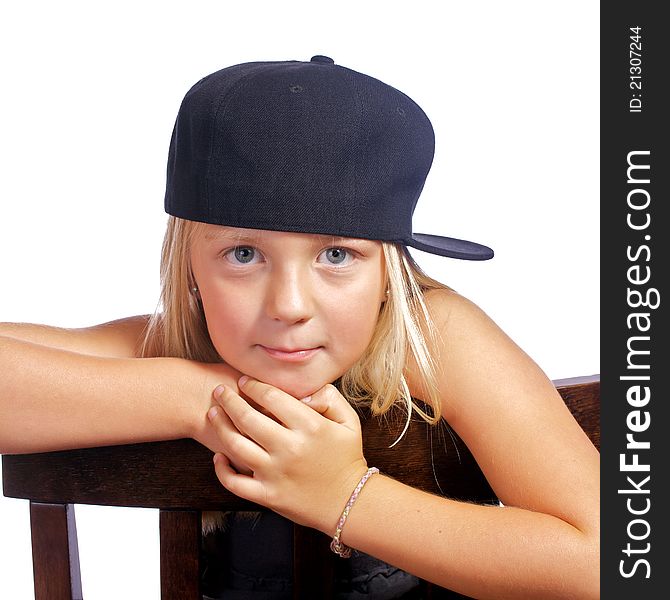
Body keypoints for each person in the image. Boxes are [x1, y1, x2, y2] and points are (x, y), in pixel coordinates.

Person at [0, 55, 599, 599]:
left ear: (388, 271)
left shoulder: (432, 334)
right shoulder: (183, 344)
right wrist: (204, 398)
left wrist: (342, 494)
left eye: (336, 255)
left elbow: (603, 562)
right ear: (189, 265)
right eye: (243, 255)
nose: (288, 306)